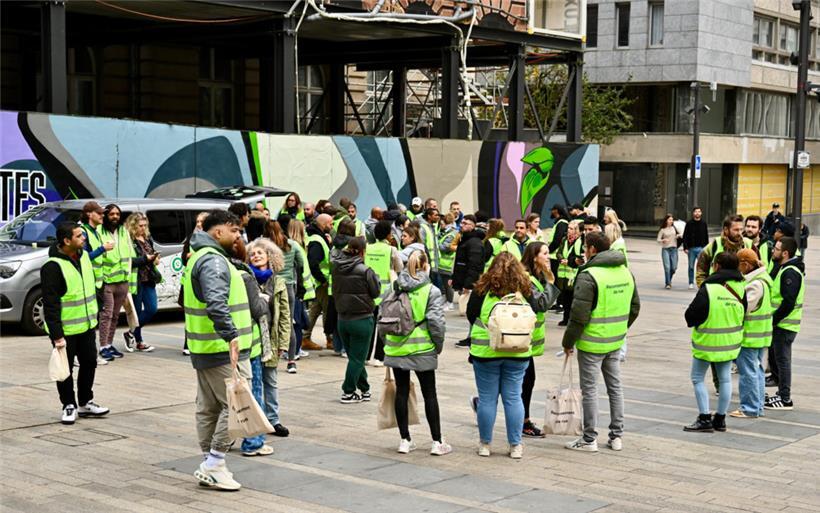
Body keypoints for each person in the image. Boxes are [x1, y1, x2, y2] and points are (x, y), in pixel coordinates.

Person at [183, 210, 252, 491]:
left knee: (209, 408)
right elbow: (216, 302)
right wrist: (231, 335)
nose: (239, 235)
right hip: (222, 348)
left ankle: (211, 462)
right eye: (234, 230)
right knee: (234, 405)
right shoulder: (214, 261)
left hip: (205, 347)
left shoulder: (198, 256)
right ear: (218, 232)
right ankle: (214, 462)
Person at [562, 233, 639, 452]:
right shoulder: (625, 272)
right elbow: (635, 307)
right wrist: (621, 328)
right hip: (615, 340)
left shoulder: (589, 275)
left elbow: (578, 316)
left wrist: (568, 342)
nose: (584, 250)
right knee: (615, 388)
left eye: (586, 247)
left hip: (592, 342)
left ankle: (589, 439)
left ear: (593, 249)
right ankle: (616, 436)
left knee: (590, 390)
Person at [466, 252, 535, 459]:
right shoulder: (524, 288)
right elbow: (539, 309)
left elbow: (471, 315)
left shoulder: (482, 288)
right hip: (518, 350)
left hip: (486, 351)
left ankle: (485, 444)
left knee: (487, 399)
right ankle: (515, 446)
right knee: (514, 397)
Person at [384, 250, 451, 455]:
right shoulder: (431, 290)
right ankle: (437, 441)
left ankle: (405, 440)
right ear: (425, 266)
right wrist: (437, 346)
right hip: (422, 347)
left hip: (396, 347)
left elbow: (383, 314)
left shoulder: (394, 287)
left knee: (402, 392)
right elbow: (436, 323)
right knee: (429, 394)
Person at [42, 222, 110, 424]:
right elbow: (50, 305)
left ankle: (85, 402)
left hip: (87, 325)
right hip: (65, 330)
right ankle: (68, 405)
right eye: (79, 236)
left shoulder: (84, 258)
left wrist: (96, 308)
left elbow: (92, 285)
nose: (84, 238)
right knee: (65, 370)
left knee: (89, 363)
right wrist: (56, 335)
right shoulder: (53, 267)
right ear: (66, 241)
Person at [683, 252, 746, 433]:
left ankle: (704, 418)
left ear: (717, 266)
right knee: (725, 379)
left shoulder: (709, 288)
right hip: (730, 342)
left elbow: (692, 314)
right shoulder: (741, 287)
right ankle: (720, 419)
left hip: (708, 343)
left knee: (697, 378)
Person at [229, 238, 275, 457]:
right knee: (253, 393)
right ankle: (253, 442)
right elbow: (258, 310)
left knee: (230, 394)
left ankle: (228, 439)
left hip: (226, 343)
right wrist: (264, 299)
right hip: (249, 343)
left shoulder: (222, 272)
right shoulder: (246, 277)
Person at [247, 238, 291, 440]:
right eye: (252, 254)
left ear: (269, 257)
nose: (256, 256)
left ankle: (273, 420)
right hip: (252, 338)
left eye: (260, 253)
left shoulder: (278, 281)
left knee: (270, 381)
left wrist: (283, 343)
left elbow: (284, 315)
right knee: (254, 381)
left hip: (271, 339)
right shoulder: (246, 279)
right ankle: (258, 420)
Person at [331, 237, 381, 403]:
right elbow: (375, 292)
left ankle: (365, 388)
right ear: (362, 251)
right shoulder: (365, 270)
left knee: (354, 356)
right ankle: (348, 391)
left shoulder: (336, 267)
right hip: (362, 319)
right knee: (357, 358)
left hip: (342, 318)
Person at [519, 242, 558, 438]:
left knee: (522, 380)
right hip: (519, 340)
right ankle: (523, 422)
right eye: (545, 253)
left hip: (525, 340)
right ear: (534, 257)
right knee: (526, 380)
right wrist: (551, 282)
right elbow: (541, 304)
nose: (548, 256)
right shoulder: (527, 278)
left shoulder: (535, 276)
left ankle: (483, 403)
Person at [729, 249, 773, 419]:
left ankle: (749, 408)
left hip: (750, 336)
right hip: (761, 334)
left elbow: (744, 308)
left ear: (746, 264)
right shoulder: (764, 280)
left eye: (738, 265)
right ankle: (758, 406)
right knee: (757, 370)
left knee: (748, 372)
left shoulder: (755, 284)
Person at [764, 236, 805, 411]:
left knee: (783, 361)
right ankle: (782, 394)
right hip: (783, 325)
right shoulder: (785, 268)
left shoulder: (790, 272)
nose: (774, 251)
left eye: (777, 249)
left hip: (784, 325)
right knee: (780, 360)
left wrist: (773, 321)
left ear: (786, 253)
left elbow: (788, 301)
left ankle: (785, 398)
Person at [98, 203, 135, 361]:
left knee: (114, 315)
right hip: (107, 281)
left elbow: (129, 257)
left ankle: (109, 344)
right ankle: (103, 346)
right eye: (112, 214)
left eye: (117, 214)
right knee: (106, 315)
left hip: (122, 280)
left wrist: (129, 280)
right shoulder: (99, 231)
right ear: (106, 215)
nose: (115, 217)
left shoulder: (123, 231)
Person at [80, 201, 115, 366]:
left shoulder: (95, 231)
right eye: (99, 213)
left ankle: (91, 354)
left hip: (98, 282)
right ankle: (81, 355)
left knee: (95, 319)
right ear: (89, 214)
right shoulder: (83, 232)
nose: (103, 216)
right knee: (88, 320)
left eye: (103, 213)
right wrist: (102, 248)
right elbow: (84, 256)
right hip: (88, 283)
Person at [364, 220, 403, 364]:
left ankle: (366, 356)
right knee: (383, 326)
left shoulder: (368, 248)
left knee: (369, 325)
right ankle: (379, 358)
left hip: (368, 292)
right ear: (388, 235)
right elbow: (399, 267)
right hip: (385, 293)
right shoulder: (391, 250)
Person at [267, 220, 300, 373]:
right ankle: (292, 360)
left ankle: (269, 356)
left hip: (270, 286)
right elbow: (301, 262)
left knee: (268, 322)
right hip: (288, 287)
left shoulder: (264, 246)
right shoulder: (292, 244)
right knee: (288, 322)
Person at [125, 213, 158, 352]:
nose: (143, 228)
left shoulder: (147, 238)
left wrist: (155, 258)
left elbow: (152, 253)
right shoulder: (128, 240)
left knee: (152, 309)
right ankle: (139, 341)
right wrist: (146, 259)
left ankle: (130, 333)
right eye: (140, 226)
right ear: (133, 226)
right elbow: (128, 261)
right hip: (136, 280)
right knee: (136, 312)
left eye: (145, 225)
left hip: (149, 278)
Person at [451, 214, 485, 348]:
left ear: (473, 226)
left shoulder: (474, 242)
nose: (462, 224)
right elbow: (461, 263)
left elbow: (474, 266)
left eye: (465, 223)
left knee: (472, 311)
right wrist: (455, 280)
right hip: (467, 282)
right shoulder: (465, 240)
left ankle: (473, 337)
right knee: (471, 311)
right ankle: (471, 336)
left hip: (472, 284)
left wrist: (468, 285)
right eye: (462, 222)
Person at [288, 219, 319, 354]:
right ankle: (294, 350)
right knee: (297, 322)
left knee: (298, 321)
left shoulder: (293, 246)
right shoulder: (297, 248)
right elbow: (301, 270)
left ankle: (295, 349)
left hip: (299, 289)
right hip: (299, 290)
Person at [305, 213, 335, 350]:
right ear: (323, 225)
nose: (332, 226)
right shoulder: (317, 240)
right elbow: (313, 262)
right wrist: (323, 280)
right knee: (327, 310)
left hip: (316, 282)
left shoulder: (314, 236)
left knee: (315, 309)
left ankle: (305, 336)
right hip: (321, 282)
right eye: (331, 224)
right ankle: (330, 339)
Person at [696, 215, 749, 287]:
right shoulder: (714, 245)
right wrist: (703, 287)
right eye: (736, 230)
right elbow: (701, 269)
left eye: (741, 229)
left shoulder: (748, 245)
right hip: (715, 291)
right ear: (726, 230)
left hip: (739, 292)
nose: (740, 233)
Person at [557, 220, 583, 326]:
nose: (569, 230)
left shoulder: (579, 241)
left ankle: (571, 319)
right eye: (568, 228)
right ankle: (565, 318)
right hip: (563, 274)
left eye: (572, 228)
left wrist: (569, 261)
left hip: (573, 274)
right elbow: (559, 252)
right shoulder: (565, 240)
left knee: (572, 298)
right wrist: (561, 259)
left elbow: (579, 258)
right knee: (565, 299)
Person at [546, 204, 570, 297]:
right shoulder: (560, 222)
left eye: (552, 210)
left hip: (555, 256)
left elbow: (557, 240)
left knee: (555, 279)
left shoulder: (562, 223)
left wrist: (548, 250)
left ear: (556, 211)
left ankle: (557, 300)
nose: (551, 212)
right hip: (554, 255)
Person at [682, 206, 709, 290]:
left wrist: (706, 247)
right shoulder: (689, 223)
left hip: (701, 248)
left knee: (702, 266)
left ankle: (702, 281)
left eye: (699, 211)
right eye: (696, 212)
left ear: (701, 213)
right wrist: (685, 247)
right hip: (691, 249)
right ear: (693, 213)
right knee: (691, 266)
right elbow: (685, 236)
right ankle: (691, 282)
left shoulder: (704, 223)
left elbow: (706, 236)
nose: (697, 213)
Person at [437, 212, 459, 310]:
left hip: (448, 263)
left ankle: (450, 302)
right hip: (442, 263)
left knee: (448, 284)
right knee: (444, 284)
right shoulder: (445, 232)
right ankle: (447, 300)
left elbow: (445, 247)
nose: (440, 226)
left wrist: (436, 243)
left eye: (441, 224)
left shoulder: (452, 233)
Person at [418, 207, 441, 285]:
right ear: (429, 216)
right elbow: (421, 245)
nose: (438, 217)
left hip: (435, 265)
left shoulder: (433, 227)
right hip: (428, 264)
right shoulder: (423, 227)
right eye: (436, 215)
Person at [657, 214, 680, 289]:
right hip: (665, 249)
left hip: (674, 249)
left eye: (672, 219)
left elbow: (682, 234)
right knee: (667, 267)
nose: (671, 221)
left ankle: (669, 279)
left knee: (673, 267)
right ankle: (668, 283)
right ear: (666, 220)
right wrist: (663, 240)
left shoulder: (674, 228)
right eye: (669, 219)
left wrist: (678, 236)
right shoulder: (662, 230)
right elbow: (658, 240)